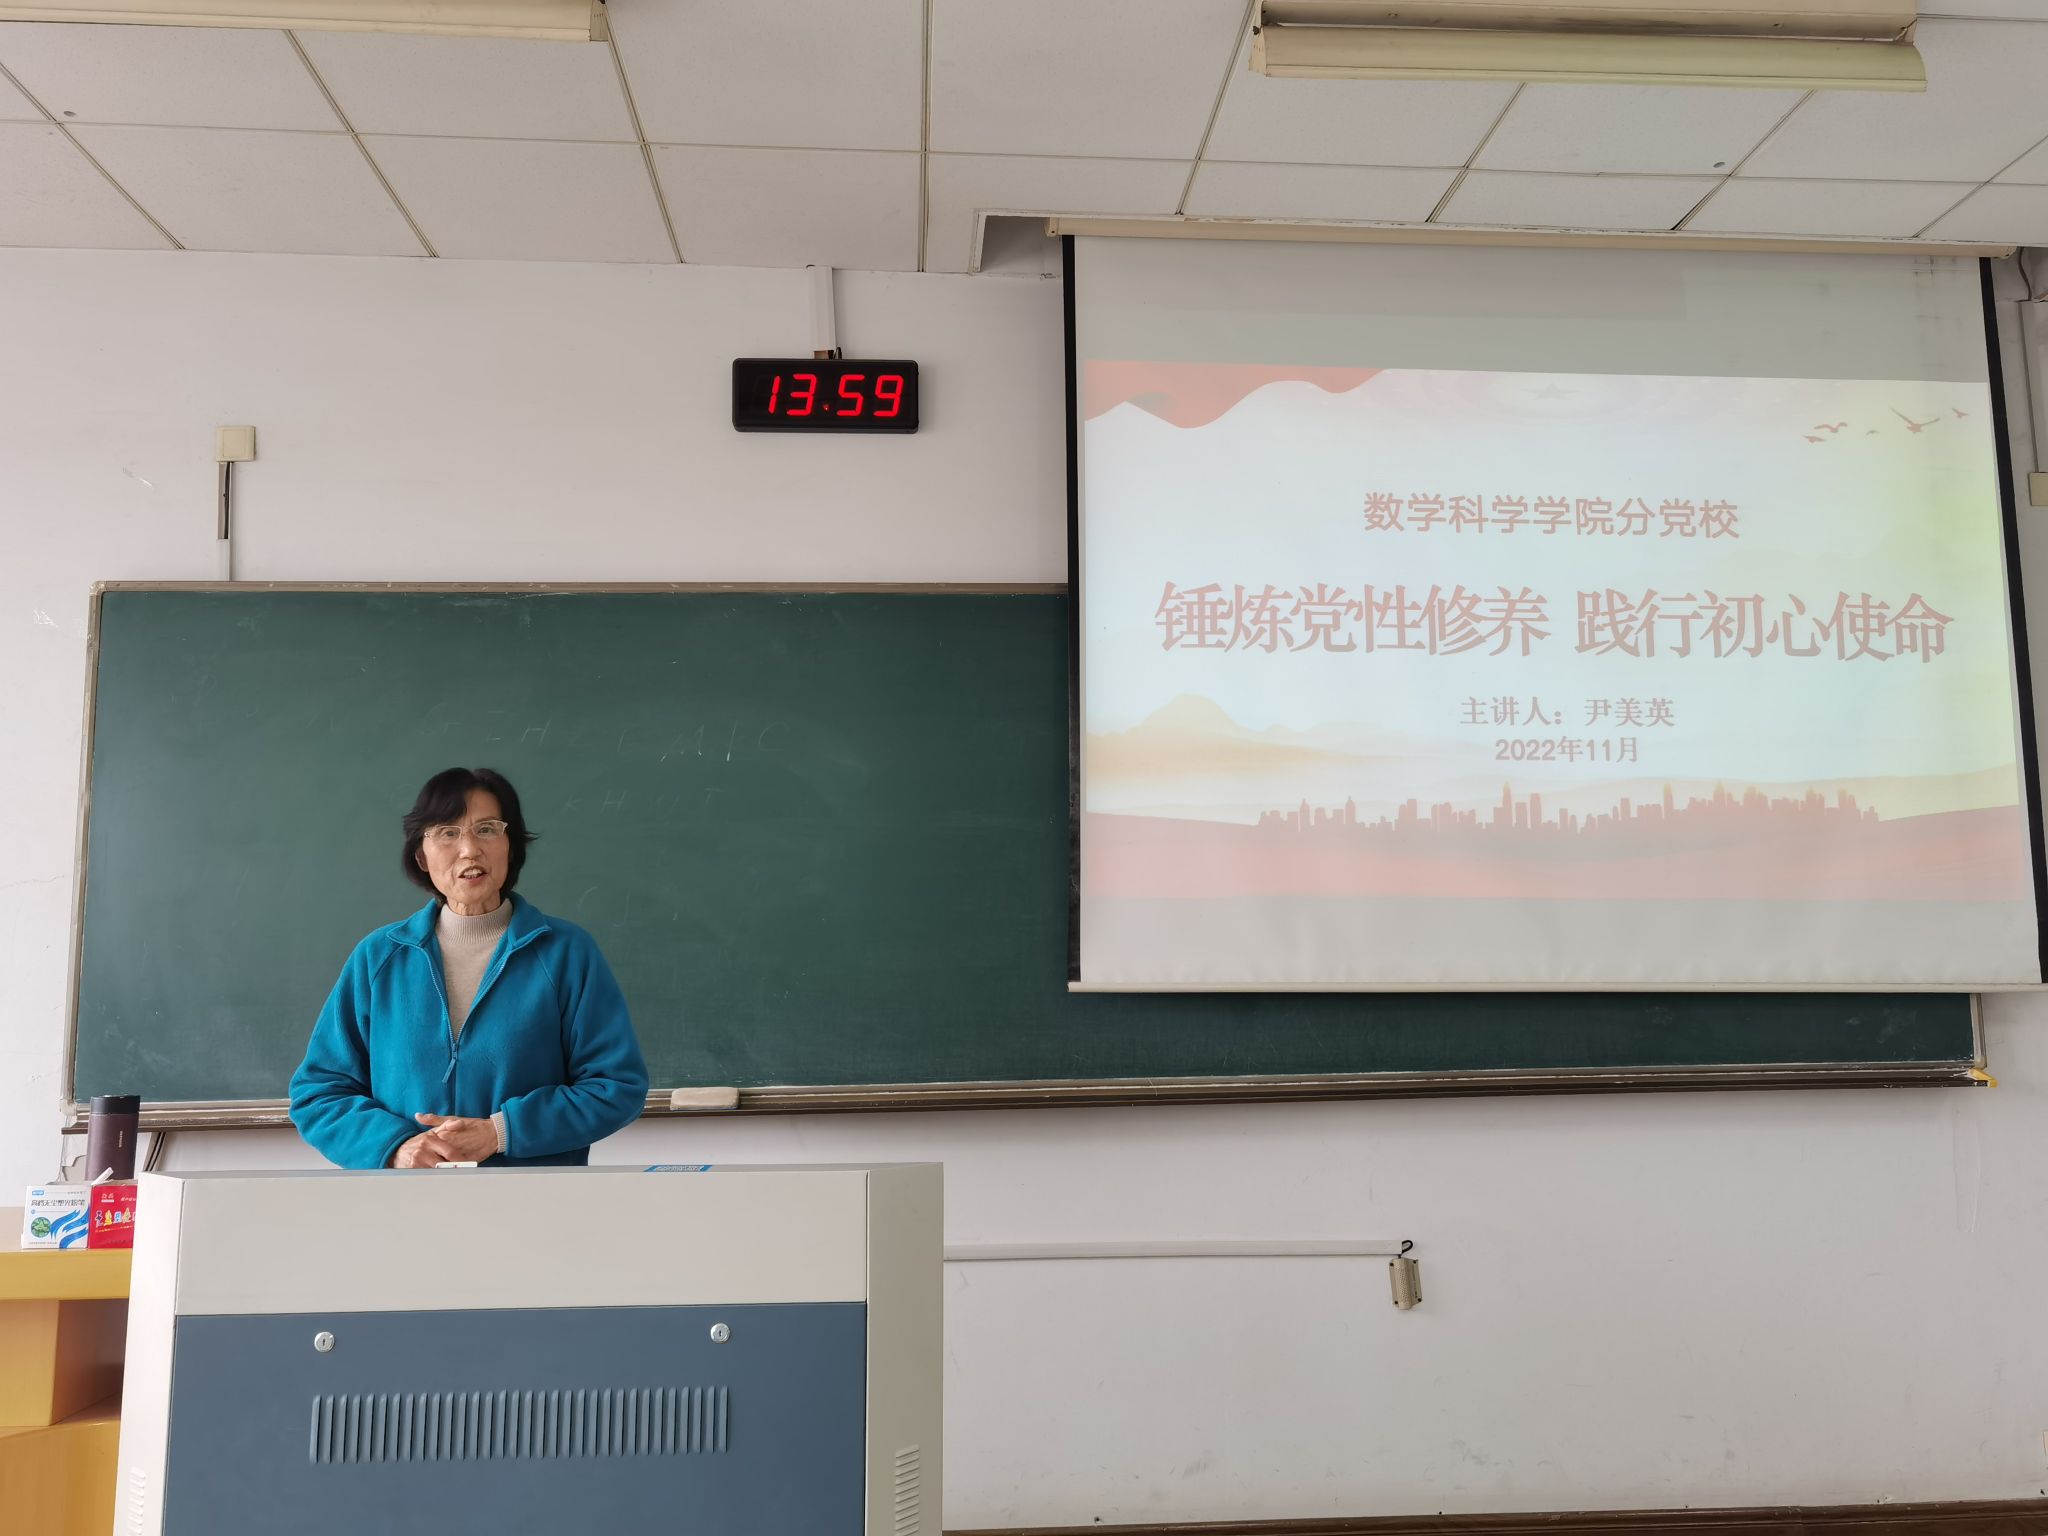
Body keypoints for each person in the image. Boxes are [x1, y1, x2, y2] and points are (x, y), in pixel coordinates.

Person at [290, 767, 649, 1169]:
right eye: (447, 832)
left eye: (487, 830)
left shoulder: (566, 953)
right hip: (407, 1201)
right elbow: (319, 1094)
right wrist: (396, 1148)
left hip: (534, 1199)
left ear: (511, 846)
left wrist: (500, 1132)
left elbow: (616, 1086)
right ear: (421, 856)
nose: (469, 850)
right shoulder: (379, 957)